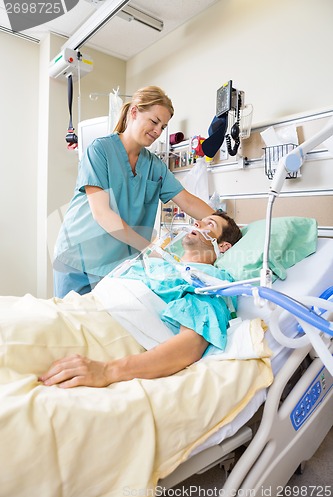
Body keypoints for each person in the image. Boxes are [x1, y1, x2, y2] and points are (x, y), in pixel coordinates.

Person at [1, 212, 242, 389]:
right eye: (201, 219)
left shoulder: (208, 281)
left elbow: (190, 346)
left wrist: (107, 371)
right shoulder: (163, 265)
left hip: (104, 331)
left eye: (209, 224)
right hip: (75, 310)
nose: (197, 222)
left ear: (223, 246)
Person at [53, 85, 215, 298]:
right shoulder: (100, 151)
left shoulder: (154, 166)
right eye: (154, 122)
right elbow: (102, 214)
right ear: (134, 112)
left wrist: (223, 223)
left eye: (163, 127)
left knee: (103, 328)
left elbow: (187, 201)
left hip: (115, 265)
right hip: (77, 258)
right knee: (67, 326)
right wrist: (149, 249)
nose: (158, 131)